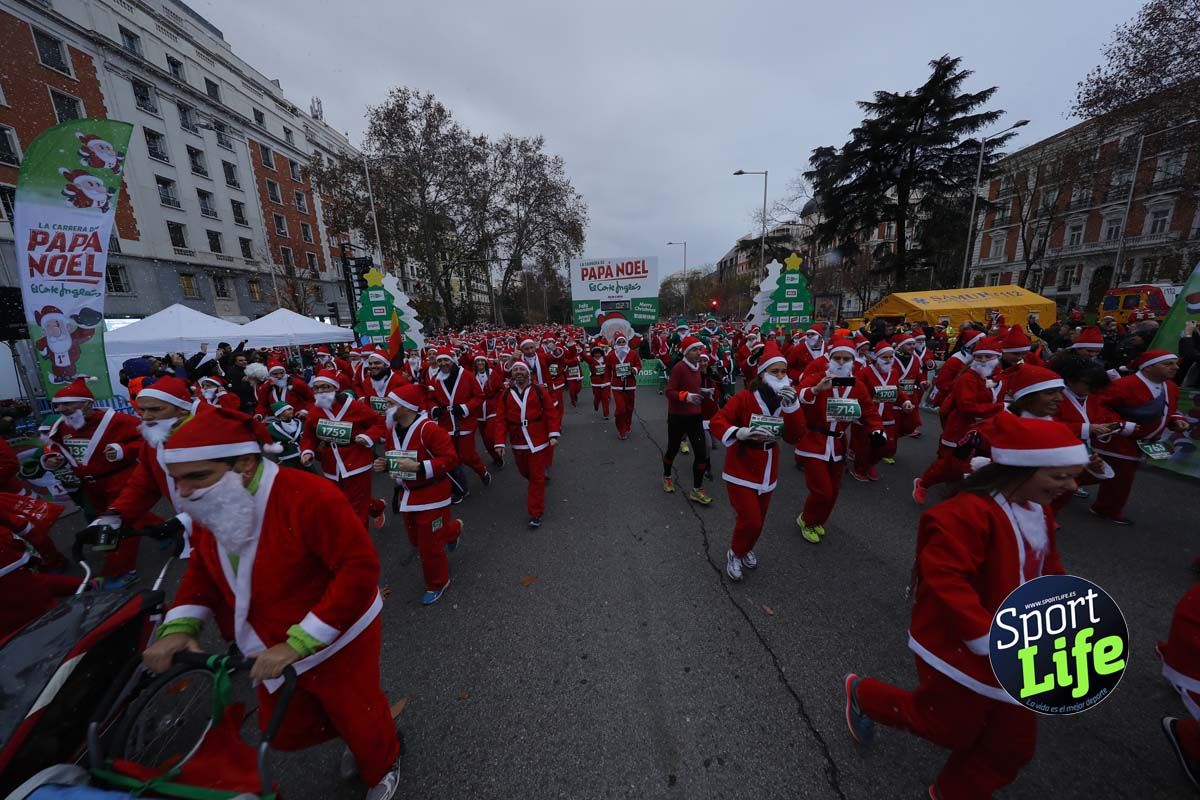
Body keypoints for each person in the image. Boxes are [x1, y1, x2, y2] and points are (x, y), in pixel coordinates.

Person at [141, 406, 402, 800]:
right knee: (295, 722)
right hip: (269, 638)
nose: (185, 492)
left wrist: (301, 641)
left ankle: (384, 760)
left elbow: (358, 569)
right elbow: (205, 566)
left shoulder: (310, 496)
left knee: (357, 711)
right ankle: (362, 736)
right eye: (176, 480)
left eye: (197, 477)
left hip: (338, 633)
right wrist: (181, 624)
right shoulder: (216, 498)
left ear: (245, 464)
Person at [844, 414, 1084, 800]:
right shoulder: (967, 513)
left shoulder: (1039, 511)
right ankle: (864, 695)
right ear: (1021, 469)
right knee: (946, 727)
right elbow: (945, 579)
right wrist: (987, 637)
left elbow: (1048, 569)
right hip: (965, 643)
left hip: (1023, 647)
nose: (1071, 487)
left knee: (1012, 748)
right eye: (1059, 476)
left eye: (1073, 477)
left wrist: (1065, 620)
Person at [40, 378, 156, 579]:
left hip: (120, 480)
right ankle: (167, 530)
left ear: (87, 403)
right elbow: (55, 446)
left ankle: (121, 572)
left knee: (116, 523)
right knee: (128, 515)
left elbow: (149, 438)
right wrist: (52, 458)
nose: (61, 409)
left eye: (68, 404)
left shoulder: (118, 421)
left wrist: (124, 450)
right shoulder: (63, 425)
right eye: (58, 405)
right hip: (91, 485)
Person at [709, 343, 803, 581]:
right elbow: (718, 421)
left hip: (768, 466)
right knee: (750, 519)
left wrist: (793, 407)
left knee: (759, 520)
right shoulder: (744, 398)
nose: (780, 376)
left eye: (783, 371)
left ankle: (746, 548)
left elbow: (794, 437)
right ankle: (735, 552)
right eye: (775, 371)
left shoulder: (787, 401)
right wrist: (738, 432)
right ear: (762, 374)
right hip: (741, 465)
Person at [373, 384, 462, 605]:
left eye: (391, 403)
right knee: (416, 539)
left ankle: (438, 583)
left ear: (405, 407)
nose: (386, 407)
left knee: (429, 547)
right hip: (408, 495)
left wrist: (421, 466)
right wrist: (385, 465)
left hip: (433, 495)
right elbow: (397, 458)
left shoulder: (429, 429)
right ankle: (453, 530)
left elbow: (451, 459)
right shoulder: (392, 429)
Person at [792, 339, 883, 543]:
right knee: (822, 490)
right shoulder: (817, 378)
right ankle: (806, 520)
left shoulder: (857, 385)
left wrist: (877, 430)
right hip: (813, 442)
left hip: (838, 444)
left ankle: (818, 521)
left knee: (833, 491)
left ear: (852, 361)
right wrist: (816, 390)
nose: (841, 362)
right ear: (830, 358)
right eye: (837, 358)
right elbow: (796, 395)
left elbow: (869, 411)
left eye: (846, 358)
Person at [1091, 350, 1190, 525]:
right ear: (1148, 367)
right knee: (1105, 476)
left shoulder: (1171, 387)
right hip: (1118, 441)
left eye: (1175, 364)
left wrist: (1176, 420)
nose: (1175, 367)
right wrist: (1120, 426)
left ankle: (1105, 508)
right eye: (1168, 364)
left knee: (1119, 478)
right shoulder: (1124, 385)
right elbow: (1098, 407)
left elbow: (1170, 410)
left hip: (1142, 443)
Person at [913, 336, 1007, 505]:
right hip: (959, 428)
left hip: (982, 431)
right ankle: (924, 483)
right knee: (949, 463)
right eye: (979, 356)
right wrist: (1000, 408)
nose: (983, 360)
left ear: (997, 357)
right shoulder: (968, 377)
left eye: (988, 356)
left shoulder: (998, 379)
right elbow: (967, 406)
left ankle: (958, 492)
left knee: (971, 464)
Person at [299, 372, 387, 528]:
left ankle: (359, 539)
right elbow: (309, 436)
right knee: (341, 501)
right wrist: (307, 451)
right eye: (316, 388)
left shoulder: (354, 406)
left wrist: (367, 437)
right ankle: (376, 507)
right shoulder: (315, 411)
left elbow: (379, 422)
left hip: (357, 461)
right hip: (331, 464)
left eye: (325, 387)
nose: (321, 391)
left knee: (357, 509)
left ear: (335, 388)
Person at [489, 361, 561, 528]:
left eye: (522, 369)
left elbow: (551, 412)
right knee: (525, 472)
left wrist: (553, 434)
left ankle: (535, 513)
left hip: (538, 440)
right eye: (515, 370)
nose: (518, 372)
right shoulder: (506, 394)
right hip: (518, 441)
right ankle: (539, 480)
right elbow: (500, 420)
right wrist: (499, 443)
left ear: (528, 372)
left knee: (536, 478)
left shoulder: (539, 390)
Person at [426, 349, 491, 500]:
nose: (443, 363)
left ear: (452, 360)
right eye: (440, 361)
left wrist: (464, 408)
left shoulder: (467, 375)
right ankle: (461, 489)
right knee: (450, 458)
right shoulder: (435, 379)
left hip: (465, 423)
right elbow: (430, 399)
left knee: (467, 456)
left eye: (446, 360)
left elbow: (479, 396)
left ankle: (482, 471)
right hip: (446, 424)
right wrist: (434, 409)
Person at [850, 340, 913, 481]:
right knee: (866, 446)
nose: (888, 360)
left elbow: (897, 390)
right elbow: (855, 390)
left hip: (887, 415)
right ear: (877, 357)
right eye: (885, 357)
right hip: (869, 416)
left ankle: (872, 463)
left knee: (885, 446)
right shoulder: (864, 372)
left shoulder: (894, 372)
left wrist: (905, 401)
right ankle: (860, 469)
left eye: (891, 357)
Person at [661, 336, 713, 505]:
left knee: (701, 453)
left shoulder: (697, 366)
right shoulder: (679, 368)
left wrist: (703, 391)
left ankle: (697, 489)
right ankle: (667, 476)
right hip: (677, 416)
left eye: (699, 349)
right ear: (686, 352)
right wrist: (686, 396)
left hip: (695, 416)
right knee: (673, 449)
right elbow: (669, 391)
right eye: (694, 350)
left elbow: (693, 387)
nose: (698, 353)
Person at [607, 334, 642, 441]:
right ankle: (621, 429)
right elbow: (607, 369)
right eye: (619, 342)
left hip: (630, 384)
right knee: (621, 409)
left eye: (623, 341)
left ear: (626, 342)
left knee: (629, 408)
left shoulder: (633, 353)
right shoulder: (611, 355)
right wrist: (606, 382)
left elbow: (639, 365)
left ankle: (627, 424)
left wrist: (634, 369)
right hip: (617, 385)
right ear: (616, 343)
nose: (621, 344)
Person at [266, 401, 305, 467]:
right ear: (280, 412)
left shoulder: (298, 422)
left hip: (303, 454)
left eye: (291, 409)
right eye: (288, 409)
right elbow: (270, 441)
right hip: (287, 457)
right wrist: (279, 446)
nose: (292, 411)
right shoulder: (272, 427)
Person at [584, 341, 612, 419]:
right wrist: (579, 349)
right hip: (596, 383)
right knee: (597, 398)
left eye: (599, 353)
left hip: (605, 382)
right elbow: (584, 357)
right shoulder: (591, 360)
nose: (597, 355)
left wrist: (610, 347)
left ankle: (606, 414)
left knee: (605, 399)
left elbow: (611, 354)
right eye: (596, 353)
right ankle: (596, 404)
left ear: (601, 353)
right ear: (593, 354)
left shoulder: (606, 359)